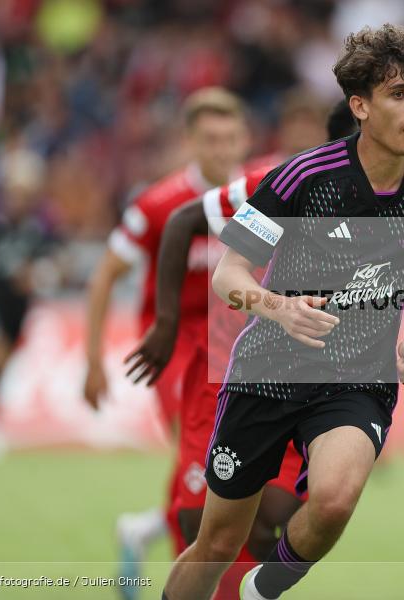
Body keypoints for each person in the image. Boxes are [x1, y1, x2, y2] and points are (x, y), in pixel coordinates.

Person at [160, 24, 404, 600]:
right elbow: (229, 275)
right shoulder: (302, 178)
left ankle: (264, 588)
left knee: (334, 500)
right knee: (217, 544)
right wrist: (280, 309)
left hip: (357, 375)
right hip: (268, 370)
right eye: (399, 94)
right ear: (360, 105)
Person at [124, 100, 357, 599]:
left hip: (309, 381)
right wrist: (165, 323)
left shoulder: (391, 196)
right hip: (230, 371)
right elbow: (186, 219)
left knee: (280, 517)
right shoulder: (274, 181)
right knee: (204, 524)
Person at [81, 87, 250, 598]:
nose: (221, 149)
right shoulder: (158, 205)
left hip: (234, 346)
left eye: (229, 138)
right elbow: (105, 274)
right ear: (190, 141)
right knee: (205, 455)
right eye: (210, 139)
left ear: (243, 138)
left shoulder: (258, 197)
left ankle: (143, 530)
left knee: (241, 464)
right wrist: (93, 361)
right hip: (174, 347)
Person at [0, 143, 54, 458]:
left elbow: (51, 264)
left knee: (8, 359)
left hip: (20, 305)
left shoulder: (36, 230)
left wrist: (35, 275)